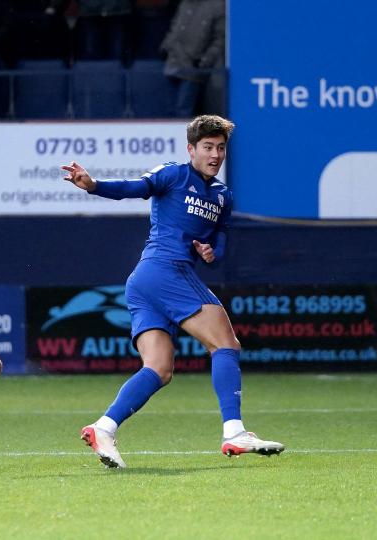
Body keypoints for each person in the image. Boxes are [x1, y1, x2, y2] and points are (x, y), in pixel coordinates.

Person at [61, 115, 284, 468]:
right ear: (191, 149)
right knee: (225, 344)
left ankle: (103, 427)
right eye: (207, 147)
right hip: (164, 270)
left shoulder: (223, 196)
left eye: (221, 148)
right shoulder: (174, 174)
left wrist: (211, 253)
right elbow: (134, 188)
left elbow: (220, 244)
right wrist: (94, 185)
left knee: (159, 369)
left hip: (147, 282)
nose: (215, 155)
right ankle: (234, 431)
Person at [160, 0, 225, 117]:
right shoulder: (185, 3)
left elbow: (219, 40)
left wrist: (205, 60)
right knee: (168, 110)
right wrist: (166, 46)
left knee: (183, 110)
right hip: (172, 63)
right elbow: (175, 27)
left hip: (192, 67)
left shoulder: (217, 6)